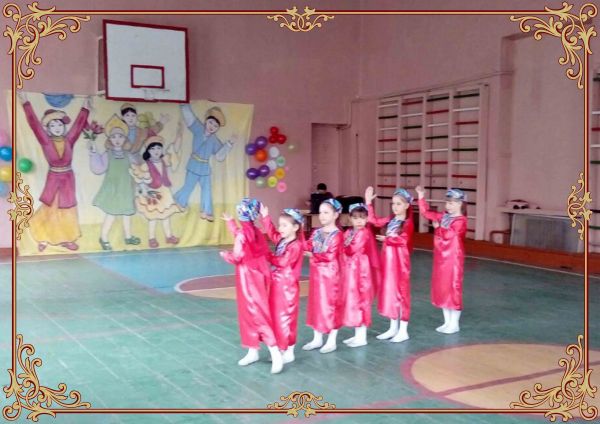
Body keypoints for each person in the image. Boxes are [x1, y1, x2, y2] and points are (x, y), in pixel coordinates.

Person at [18, 92, 90, 252]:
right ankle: (43, 237)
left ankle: (67, 239)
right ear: (48, 129)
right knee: (50, 208)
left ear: (63, 127)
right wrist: (26, 104)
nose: (57, 128)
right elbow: (34, 125)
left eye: (59, 125)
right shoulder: (45, 141)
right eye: (52, 125)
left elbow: (78, 125)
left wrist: (85, 108)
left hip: (68, 179)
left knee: (67, 209)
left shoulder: (69, 140)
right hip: (53, 178)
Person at [220, 198, 283, 374]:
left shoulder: (244, 234)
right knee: (252, 313)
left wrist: (225, 255)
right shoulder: (255, 231)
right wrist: (231, 223)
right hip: (261, 275)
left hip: (249, 279)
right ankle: (252, 350)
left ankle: (274, 351)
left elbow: (237, 256)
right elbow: (242, 236)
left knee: (257, 314)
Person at [415, 186, 468, 334]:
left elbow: (449, 234)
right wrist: (421, 197)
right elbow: (426, 213)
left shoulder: (460, 220)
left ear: (460, 204)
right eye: (447, 203)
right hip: (441, 257)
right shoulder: (444, 216)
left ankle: (454, 324)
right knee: (442, 287)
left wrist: (437, 228)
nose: (448, 206)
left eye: (451, 203)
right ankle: (447, 322)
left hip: (453, 258)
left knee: (453, 287)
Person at [365, 186, 414, 342]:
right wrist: (368, 203)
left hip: (400, 263)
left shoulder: (407, 223)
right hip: (388, 261)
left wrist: (388, 239)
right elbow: (374, 221)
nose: (395, 207)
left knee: (401, 293)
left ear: (407, 205)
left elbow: (403, 240)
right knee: (391, 292)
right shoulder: (391, 220)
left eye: (399, 204)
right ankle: (393, 328)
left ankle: (403, 330)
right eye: (393, 203)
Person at [175, 104, 238, 221]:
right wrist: (184, 105)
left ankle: (207, 211)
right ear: (206, 120)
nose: (212, 127)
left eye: (215, 125)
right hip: (194, 164)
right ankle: (179, 201)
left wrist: (229, 144)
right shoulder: (198, 128)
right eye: (210, 122)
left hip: (205, 167)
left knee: (207, 189)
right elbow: (190, 118)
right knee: (189, 185)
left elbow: (219, 156)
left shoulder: (214, 140)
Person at [260, 205, 304, 364]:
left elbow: (283, 261)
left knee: (286, 318)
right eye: (280, 225)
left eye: (285, 225)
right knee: (277, 317)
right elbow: (272, 233)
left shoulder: (296, 245)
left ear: (296, 227)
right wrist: (265, 217)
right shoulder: (283, 240)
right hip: (277, 285)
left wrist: (268, 255)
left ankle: (288, 351)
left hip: (287, 288)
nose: (280, 228)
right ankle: (281, 347)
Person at [129, 128, 184, 249]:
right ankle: (151, 238)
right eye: (153, 148)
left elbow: (174, 149)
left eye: (158, 148)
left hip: (165, 191)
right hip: (153, 193)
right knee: (153, 216)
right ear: (148, 150)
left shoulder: (164, 160)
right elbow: (142, 180)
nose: (156, 151)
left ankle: (169, 236)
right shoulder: (146, 164)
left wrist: (179, 136)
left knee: (166, 215)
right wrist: (145, 191)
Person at [303, 198, 344, 354]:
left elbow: (330, 256)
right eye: (320, 212)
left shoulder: (338, 235)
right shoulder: (316, 232)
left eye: (326, 212)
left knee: (331, 306)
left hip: (331, 276)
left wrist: (313, 255)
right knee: (316, 304)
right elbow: (308, 245)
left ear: (335, 214)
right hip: (317, 275)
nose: (322, 216)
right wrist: (298, 233)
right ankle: (317, 338)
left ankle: (331, 340)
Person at [339, 203, 380, 348]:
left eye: (362, 218)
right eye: (355, 218)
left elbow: (351, 249)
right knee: (353, 300)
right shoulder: (349, 232)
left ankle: (362, 337)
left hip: (361, 271)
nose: (359, 221)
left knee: (361, 300)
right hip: (351, 269)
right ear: (350, 218)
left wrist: (341, 247)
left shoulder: (364, 232)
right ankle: (357, 334)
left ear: (367, 219)